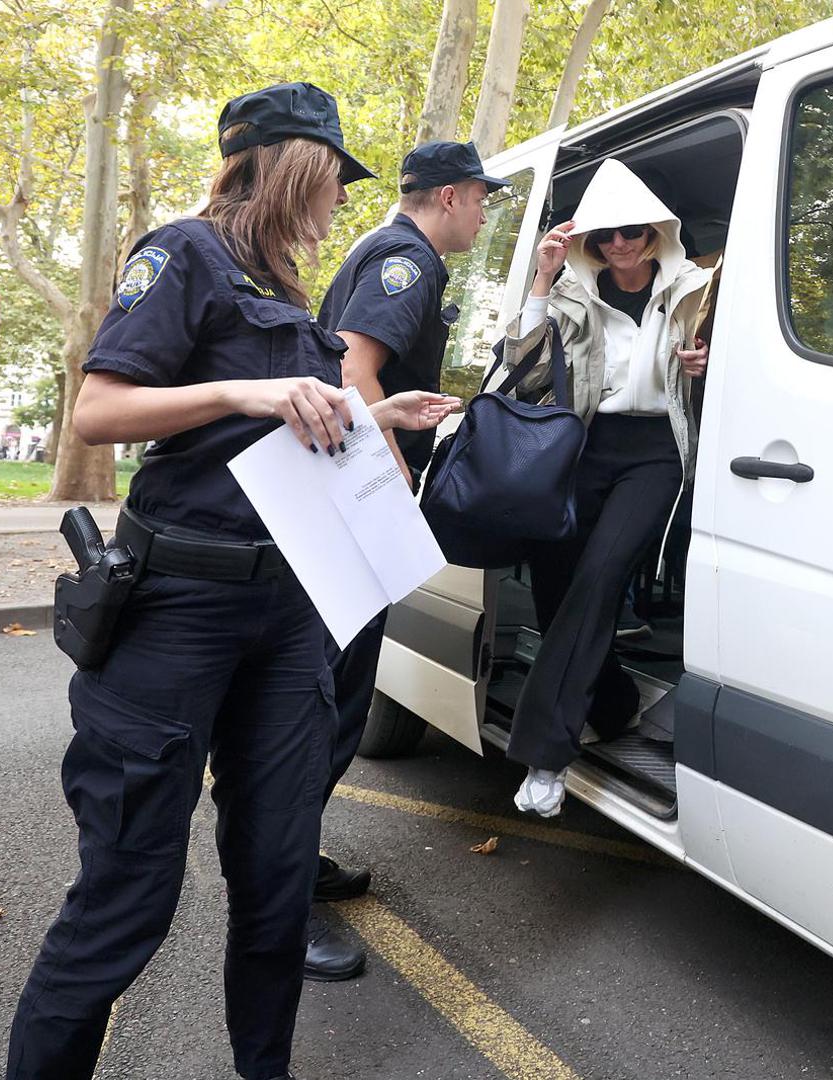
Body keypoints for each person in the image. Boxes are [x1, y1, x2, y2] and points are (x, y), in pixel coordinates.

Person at [5, 82, 458, 1080]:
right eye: (336, 176)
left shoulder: (287, 282)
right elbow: (101, 411)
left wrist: (375, 417)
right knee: (126, 897)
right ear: (293, 163)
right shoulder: (185, 251)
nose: (343, 198)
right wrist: (247, 386)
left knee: (276, 876)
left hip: (290, 609)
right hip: (178, 612)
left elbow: (270, 437)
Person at [304, 141, 507, 981]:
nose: (485, 214)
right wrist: (386, 482)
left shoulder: (381, 248)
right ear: (451, 197)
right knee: (327, 703)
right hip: (352, 508)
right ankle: (283, 903)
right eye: (482, 201)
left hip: (332, 501)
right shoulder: (407, 260)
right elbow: (355, 367)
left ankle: (292, 860)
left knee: (333, 697)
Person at [499, 159, 712, 818]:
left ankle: (545, 754)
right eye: (605, 236)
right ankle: (615, 704)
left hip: (653, 454)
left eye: (631, 232)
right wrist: (541, 275)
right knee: (559, 584)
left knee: (599, 577)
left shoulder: (696, 288)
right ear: (590, 242)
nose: (619, 245)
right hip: (587, 450)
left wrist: (704, 366)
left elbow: (734, 370)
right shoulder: (571, 292)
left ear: (654, 233)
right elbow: (518, 358)